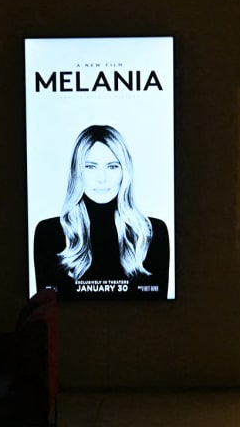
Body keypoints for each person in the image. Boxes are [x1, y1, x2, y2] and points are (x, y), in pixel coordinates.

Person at [33, 124, 170, 300]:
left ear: (124, 171)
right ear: (77, 171)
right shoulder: (49, 233)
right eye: (91, 166)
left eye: (112, 166)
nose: (102, 179)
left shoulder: (151, 232)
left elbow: (158, 312)